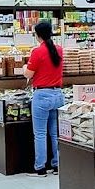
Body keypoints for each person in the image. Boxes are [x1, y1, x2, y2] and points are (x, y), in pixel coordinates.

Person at [24, 20, 64, 176]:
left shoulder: (37, 51)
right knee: (55, 133)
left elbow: (28, 74)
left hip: (42, 95)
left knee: (40, 134)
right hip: (58, 95)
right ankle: (57, 165)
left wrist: (24, 68)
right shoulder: (59, 49)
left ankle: (40, 167)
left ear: (37, 35)